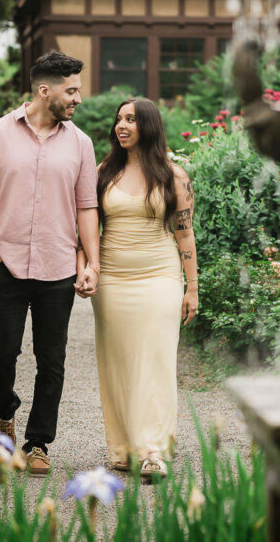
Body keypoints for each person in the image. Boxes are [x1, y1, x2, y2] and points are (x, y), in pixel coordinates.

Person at [0, 51, 100, 476]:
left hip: (58, 266)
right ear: (45, 90)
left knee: (51, 360)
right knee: (0, 354)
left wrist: (92, 264)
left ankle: (38, 443)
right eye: (71, 90)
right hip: (7, 264)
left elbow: (87, 207)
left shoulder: (81, 143)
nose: (78, 98)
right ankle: (3, 411)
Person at [81, 97, 198, 479]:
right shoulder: (103, 172)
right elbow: (86, 229)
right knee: (117, 361)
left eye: (131, 119)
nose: (122, 125)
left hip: (161, 276)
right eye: (119, 119)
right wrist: (87, 269)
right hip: (113, 280)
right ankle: (122, 449)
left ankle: (153, 451)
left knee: (156, 361)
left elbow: (185, 234)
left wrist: (192, 288)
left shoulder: (173, 176)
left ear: (148, 125)